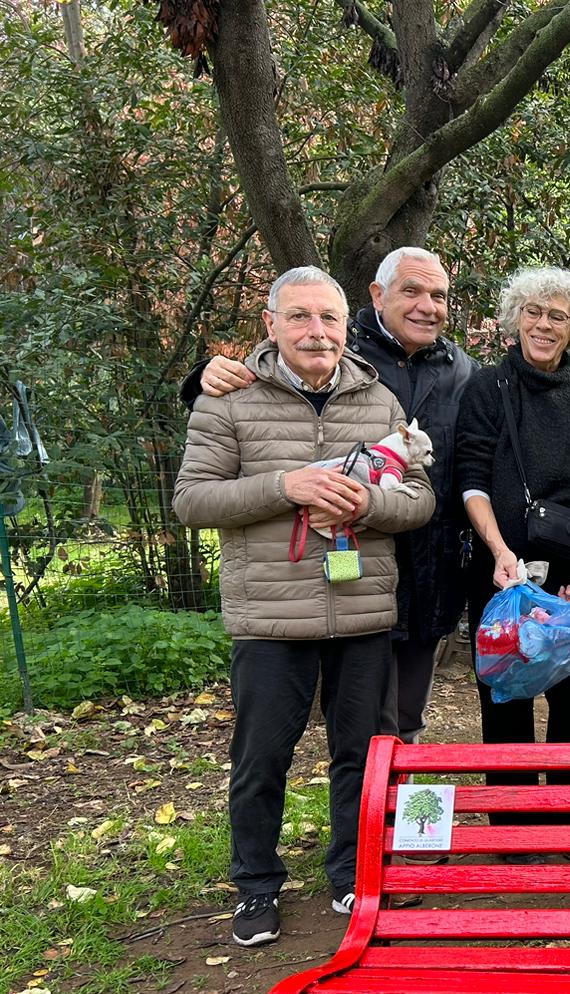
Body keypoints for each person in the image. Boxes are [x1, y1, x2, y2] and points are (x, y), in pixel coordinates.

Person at [184, 248, 570, 744]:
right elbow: (277, 376)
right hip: (339, 574)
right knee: (348, 729)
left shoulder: (462, 372)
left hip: (429, 569)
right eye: (411, 291)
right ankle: (361, 816)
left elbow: (505, 425)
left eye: (438, 295)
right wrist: (204, 377)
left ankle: (394, 816)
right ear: (377, 296)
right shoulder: (338, 351)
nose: (426, 305)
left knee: (406, 719)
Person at [173, 266, 435, 947]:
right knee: (261, 757)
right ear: (272, 324)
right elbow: (192, 500)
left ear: (347, 327)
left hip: (362, 613)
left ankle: (351, 871)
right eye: (300, 317)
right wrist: (284, 485)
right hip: (270, 617)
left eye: (328, 318)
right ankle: (256, 885)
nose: (316, 331)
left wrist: (369, 503)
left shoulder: (379, 403)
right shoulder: (227, 400)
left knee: (363, 754)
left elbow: (422, 498)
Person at [454, 267, 570, 857]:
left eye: (557, 315)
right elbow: (470, 478)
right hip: (501, 571)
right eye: (534, 312)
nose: (544, 324)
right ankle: (516, 830)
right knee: (505, 696)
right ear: (515, 318)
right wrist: (500, 552)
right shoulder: (486, 390)